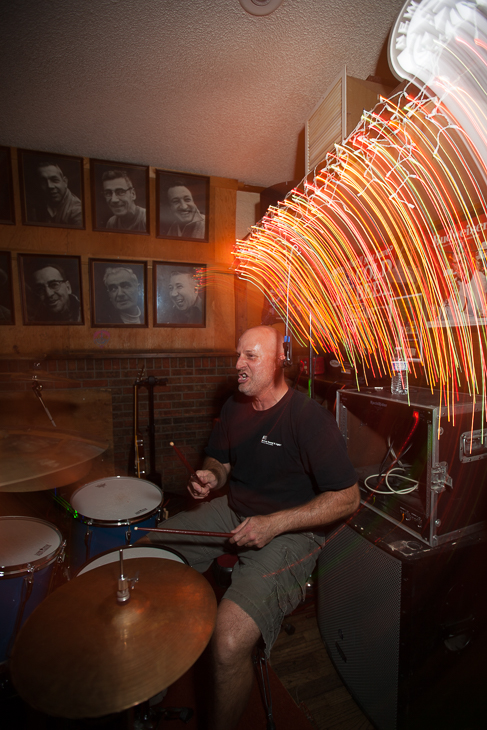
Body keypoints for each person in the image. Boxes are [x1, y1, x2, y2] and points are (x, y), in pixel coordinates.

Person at [141, 325, 359, 730]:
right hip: (235, 508)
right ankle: (152, 675)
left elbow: (348, 497)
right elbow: (219, 462)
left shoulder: (308, 418)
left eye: (251, 356)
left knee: (226, 642)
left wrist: (274, 524)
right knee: (151, 552)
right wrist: (210, 478)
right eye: (238, 354)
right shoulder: (234, 406)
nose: (238, 365)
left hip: (294, 531)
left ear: (280, 363)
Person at [30, 161, 82, 227]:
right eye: (43, 182)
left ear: (65, 182)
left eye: (54, 180)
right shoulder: (38, 205)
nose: (49, 186)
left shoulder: (77, 212)